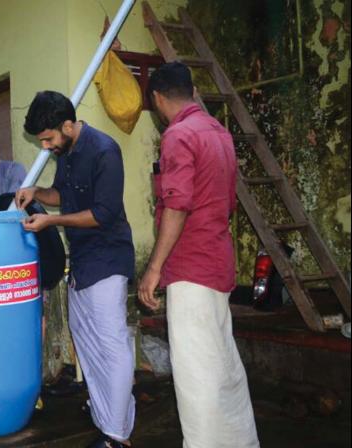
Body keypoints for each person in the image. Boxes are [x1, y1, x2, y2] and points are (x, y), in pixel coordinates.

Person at [138, 62, 259, 447]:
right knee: (223, 367)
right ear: (191, 91)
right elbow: (227, 201)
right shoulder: (217, 131)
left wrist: (153, 268)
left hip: (191, 267)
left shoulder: (179, 136)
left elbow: (177, 205)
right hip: (218, 261)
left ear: (158, 99)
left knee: (196, 377)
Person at [16, 91, 136, 448]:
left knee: (112, 345)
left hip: (108, 261)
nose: (47, 146)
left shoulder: (104, 151)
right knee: (87, 344)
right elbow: (65, 195)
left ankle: (116, 435)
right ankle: (109, 421)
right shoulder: (66, 152)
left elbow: (103, 214)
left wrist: (50, 222)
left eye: (49, 138)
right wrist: (36, 191)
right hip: (82, 263)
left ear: (68, 126)